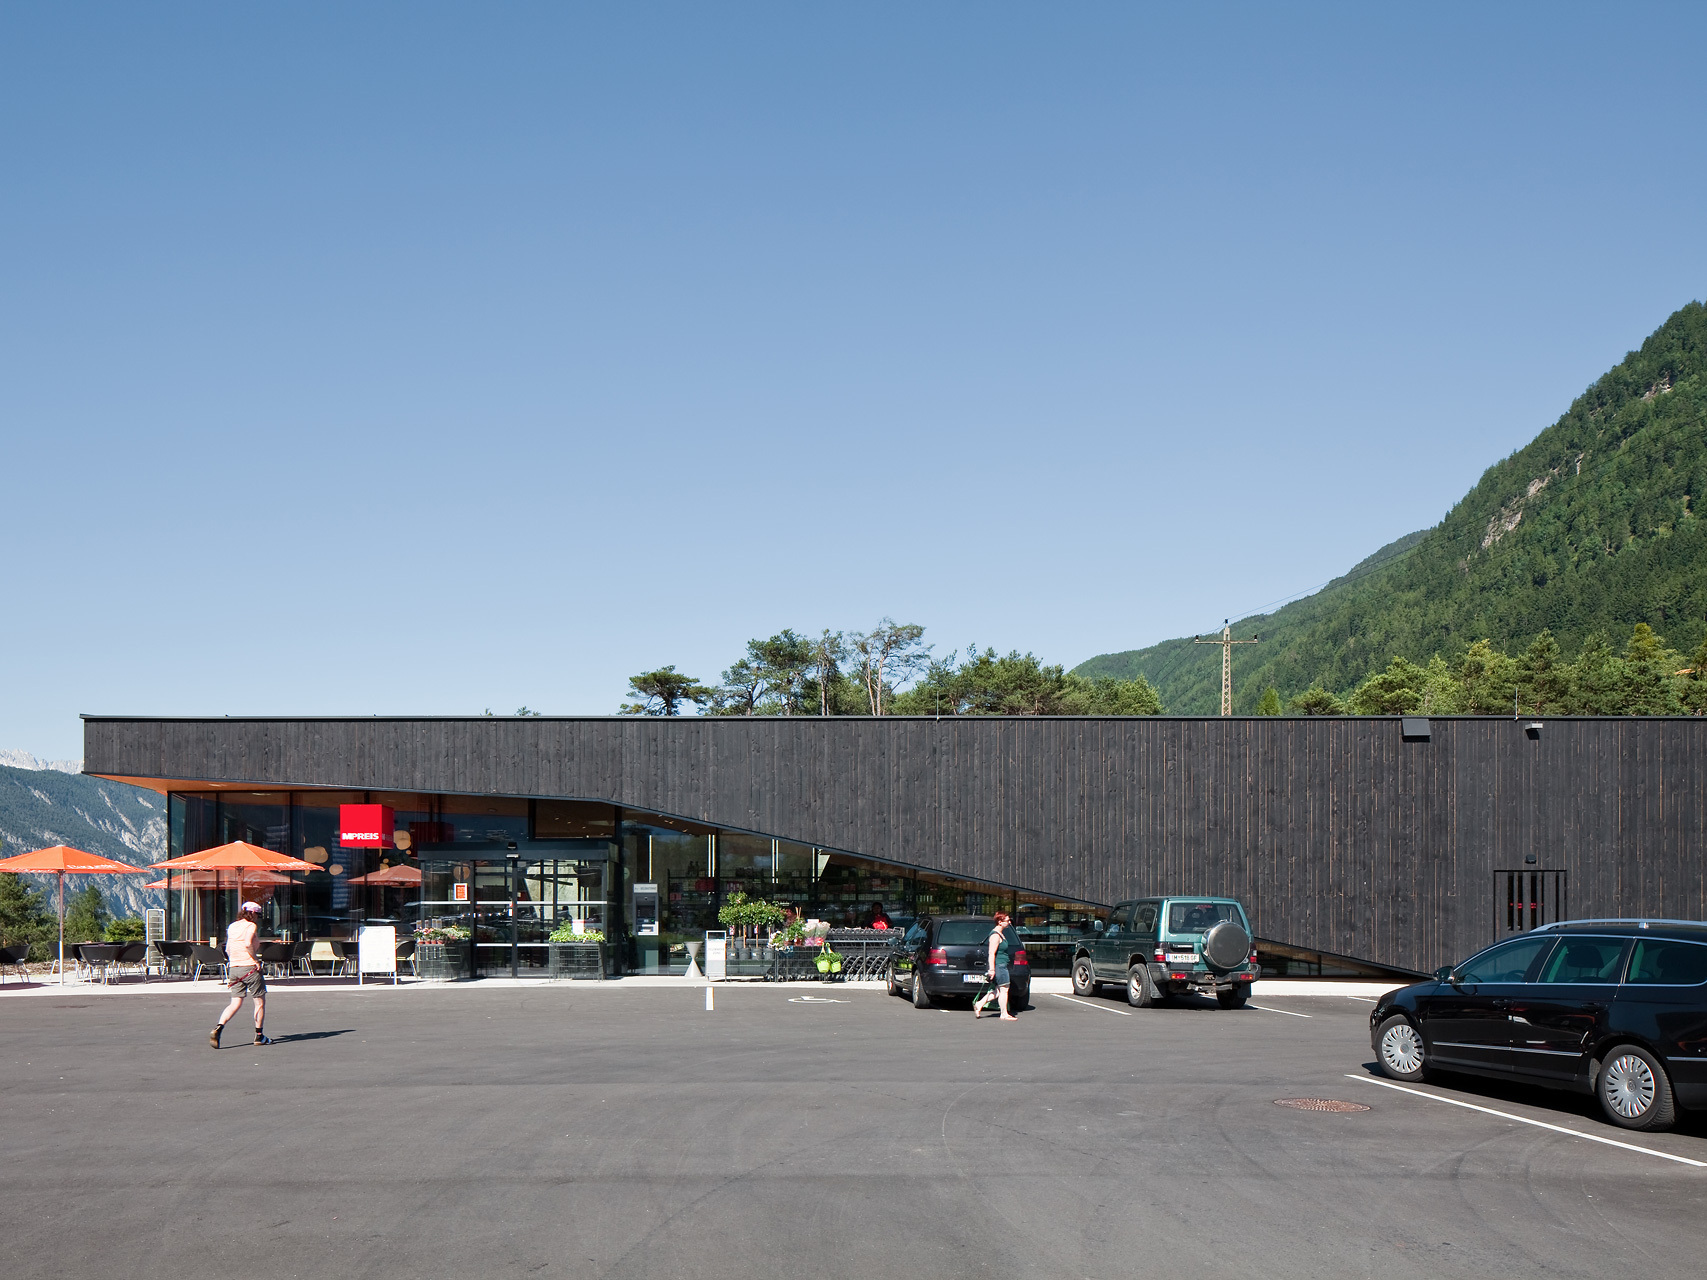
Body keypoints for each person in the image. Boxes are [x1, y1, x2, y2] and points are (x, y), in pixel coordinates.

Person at [210, 902, 272, 1048]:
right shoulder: (250, 926)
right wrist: (255, 960)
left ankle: (219, 1027)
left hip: (234, 968)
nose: (257, 918)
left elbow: (228, 948)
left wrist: (234, 961)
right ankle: (259, 1036)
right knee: (259, 1003)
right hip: (249, 968)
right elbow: (247, 943)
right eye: (257, 915)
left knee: (235, 1003)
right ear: (253, 913)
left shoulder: (232, 926)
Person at [972, 911, 1018, 1021]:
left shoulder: (1000, 934)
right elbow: (991, 953)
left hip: (1002, 965)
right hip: (999, 966)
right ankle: (1004, 1014)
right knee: (1004, 990)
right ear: (1000, 922)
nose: (1009, 922)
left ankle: (979, 1004)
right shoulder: (995, 935)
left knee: (998, 990)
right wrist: (992, 970)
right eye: (1007, 920)